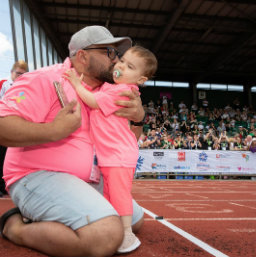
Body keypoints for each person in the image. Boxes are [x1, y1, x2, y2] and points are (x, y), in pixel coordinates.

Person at [0, 25, 146, 257]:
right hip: (36, 174)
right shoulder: (45, 79)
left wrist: (138, 118)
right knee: (106, 234)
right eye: (109, 52)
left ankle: (60, 214)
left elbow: (125, 142)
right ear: (83, 56)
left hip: (86, 178)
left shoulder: (110, 92)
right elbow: (2, 126)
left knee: (135, 220)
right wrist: (53, 131)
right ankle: (14, 227)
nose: (116, 60)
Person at [63, 45, 157, 253]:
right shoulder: (110, 86)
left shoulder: (123, 91)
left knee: (119, 194)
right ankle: (117, 227)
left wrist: (76, 84)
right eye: (122, 61)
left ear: (140, 80)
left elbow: (93, 101)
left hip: (119, 154)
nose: (121, 67)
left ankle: (126, 234)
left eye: (130, 67)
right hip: (110, 155)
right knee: (109, 193)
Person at [0, 60, 28, 197]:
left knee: (9, 158)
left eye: (23, 74)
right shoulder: (3, 85)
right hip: (3, 126)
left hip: (16, 128)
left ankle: (7, 186)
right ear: (11, 72)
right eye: (18, 73)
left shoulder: (25, 89)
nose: (20, 76)